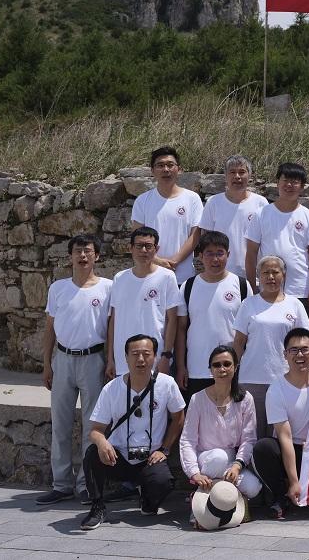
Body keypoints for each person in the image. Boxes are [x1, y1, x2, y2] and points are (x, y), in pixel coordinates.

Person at [80, 334, 186, 530]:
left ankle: (147, 500)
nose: (141, 359)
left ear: (155, 356)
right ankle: (97, 506)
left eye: (146, 354)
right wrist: (102, 443)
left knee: (163, 482)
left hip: (150, 457)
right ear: (126, 358)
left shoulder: (167, 384)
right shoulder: (111, 388)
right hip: (118, 456)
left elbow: (179, 417)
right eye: (135, 354)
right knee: (92, 454)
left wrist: (164, 449)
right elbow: (95, 430)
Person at [36, 234, 112, 506]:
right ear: (70, 256)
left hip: (93, 359)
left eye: (88, 251)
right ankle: (61, 484)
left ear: (96, 256)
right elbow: (49, 328)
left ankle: (86, 484)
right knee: (61, 424)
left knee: (92, 425)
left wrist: (110, 360)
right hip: (64, 360)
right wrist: (47, 363)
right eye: (78, 251)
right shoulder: (58, 288)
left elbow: (112, 328)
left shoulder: (107, 288)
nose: (82, 256)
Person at [232, 255, 309, 437]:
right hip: (252, 378)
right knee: (252, 433)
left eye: (275, 272)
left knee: (282, 434)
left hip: (286, 378)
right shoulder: (248, 303)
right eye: (265, 272)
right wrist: (233, 373)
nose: (271, 277)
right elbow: (239, 342)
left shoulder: (295, 305)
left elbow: (304, 343)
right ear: (259, 276)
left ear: (284, 275)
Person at [179, 344, 263, 515]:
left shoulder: (245, 399)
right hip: (207, 459)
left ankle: (220, 499)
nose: (222, 369)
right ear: (210, 369)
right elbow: (187, 439)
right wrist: (194, 473)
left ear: (235, 367)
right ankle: (201, 503)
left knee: (254, 488)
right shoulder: (197, 399)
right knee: (218, 457)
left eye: (227, 364)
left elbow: (249, 439)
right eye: (216, 365)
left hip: (232, 462)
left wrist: (238, 466)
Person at [176, 231, 253, 398]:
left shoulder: (242, 285)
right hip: (197, 368)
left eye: (220, 253)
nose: (215, 259)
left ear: (228, 254)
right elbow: (181, 329)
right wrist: (181, 366)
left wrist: (238, 364)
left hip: (231, 369)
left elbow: (248, 330)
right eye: (209, 253)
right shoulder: (188, 286)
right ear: (200, 256)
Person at [252, 327, 309, 519]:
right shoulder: (276, 389)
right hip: (290, 450)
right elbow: (285, 437)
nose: (300, 355)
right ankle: (282, 494)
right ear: (285, 355)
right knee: (264, 448)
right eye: (294, 350)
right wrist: (294, 481)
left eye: (305, 349)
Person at [106, 227, 179, 380]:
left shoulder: (167, 277)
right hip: (123, 361)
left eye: (148, 246)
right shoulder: (120, 278)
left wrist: (166, 355)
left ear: (156, 249)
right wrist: (110, 358)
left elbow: (172, 319)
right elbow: (114, 320)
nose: (144, 250)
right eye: (139, 246)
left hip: (155, 359)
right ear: (131, 248)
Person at [245, 162, 309, 301]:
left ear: (302, 187)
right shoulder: (261, 214)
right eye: (285, 180)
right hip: (267, 289)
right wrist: (252, 286)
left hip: (300, 289)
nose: (289, 185)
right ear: (277, 183)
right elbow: (251, 253)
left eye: (295, 182)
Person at [130, 146, 204, 282]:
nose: (166, 169)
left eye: (170, 165)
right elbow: (137, 236)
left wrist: (174, 261)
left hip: (183, 277)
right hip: (150, 275)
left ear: (179, 169)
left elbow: (196, 235)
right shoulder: (143, 200)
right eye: (160, 165)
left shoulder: (192, 199)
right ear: (152, 171)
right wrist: (158, 261)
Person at [193, 155, 269, 280]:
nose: (237, 176)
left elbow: (266, 239)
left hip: (252, 275)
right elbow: (206, 239)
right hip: (220, 273)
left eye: (242, 172)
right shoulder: (214, 202)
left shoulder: (261, 203)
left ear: (249, 175)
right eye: (232, 172)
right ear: (226, 176)